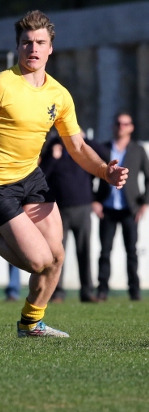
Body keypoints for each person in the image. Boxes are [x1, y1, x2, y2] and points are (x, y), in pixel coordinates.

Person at [0, 10, 128, 338]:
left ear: (51, 47)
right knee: (38, 261)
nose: (33, 49)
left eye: (40, 42)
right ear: (18, 47)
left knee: (57, 257)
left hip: (31, 178)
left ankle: (30, 324)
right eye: (27, 43)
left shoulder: (59, 95)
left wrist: (104, 172)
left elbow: (77, 147)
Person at [39, 129, 104, 303]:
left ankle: (87, 291)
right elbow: (41, 175)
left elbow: (104, 154)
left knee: (84, 251)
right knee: (58, 253)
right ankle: (57, 292)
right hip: (59, 209)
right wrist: (53, 157)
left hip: (83, 207)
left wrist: (84, 138)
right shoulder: (53, 146)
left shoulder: (82, 146)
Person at [94, 112, 149, 301]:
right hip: (107, 208)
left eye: (126, 124)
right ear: (114, 126)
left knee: (131, 251)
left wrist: (144, 203)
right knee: (104, 252)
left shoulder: (138, 150)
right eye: (118, 123)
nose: (122, 127)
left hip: (129, 209)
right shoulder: (103, 148)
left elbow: (148, 178)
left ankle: (134, 291)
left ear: (131, 127)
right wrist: (94, 200)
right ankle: (102, 290)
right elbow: (89, 175)